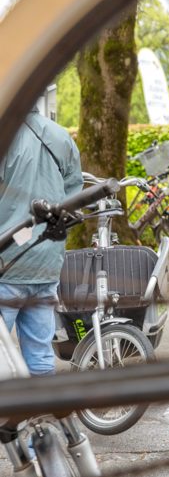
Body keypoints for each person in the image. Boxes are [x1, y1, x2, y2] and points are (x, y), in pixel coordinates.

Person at [0, 108, 82, 377]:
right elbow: (74, 196)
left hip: (7, 264)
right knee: (40, 355)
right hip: (47, 263)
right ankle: (42, 415)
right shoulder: (61, 137)